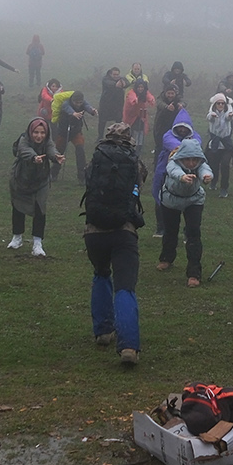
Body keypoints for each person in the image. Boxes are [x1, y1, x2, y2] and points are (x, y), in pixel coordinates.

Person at [82, 123, 144, 365]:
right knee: (125, 287)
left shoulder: (95, 161)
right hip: (123, 231)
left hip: (93, 231)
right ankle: (128, 346)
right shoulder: (135, 162)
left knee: (100, 274)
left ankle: (103, 331)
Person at [157, 135, 212, 287]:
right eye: (188, 159)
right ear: (181, 157)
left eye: (195, 159)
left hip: (194, 200)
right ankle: (166, 258)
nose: (191, 163)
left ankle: (194, 273)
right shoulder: (173, 162)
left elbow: (205, 169)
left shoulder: (200, 164)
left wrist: (207, 176)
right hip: (171, 200)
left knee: (193, 233)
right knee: (170, 230)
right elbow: (172, 170)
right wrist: (182, 177)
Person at [8, 115, 59, 256]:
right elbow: (24, 150)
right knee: (18, 207)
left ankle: (37, 243)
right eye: (36, 132)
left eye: (42, 132)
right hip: (20, 179)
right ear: (30, 132)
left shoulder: (48, 141)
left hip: (41, 180)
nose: (39, 136)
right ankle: (17, 237)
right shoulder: (24, 139)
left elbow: (51, 149)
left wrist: (56, 157)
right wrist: (34, 157)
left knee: (40, 208)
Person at [54, 86, 99, 182]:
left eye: (80, 102)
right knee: (59, 153)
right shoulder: (66, 103)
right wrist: (73, 113)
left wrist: (92, 111)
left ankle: (82, 177)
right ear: (72, 100)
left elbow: (87, 107)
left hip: (76, 132)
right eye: (76, 102)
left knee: (80, 151)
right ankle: (53, 173)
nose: (78, 104)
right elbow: (67, 108)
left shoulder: (83, 103)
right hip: (63, 132)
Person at [204, 92, 233, 198]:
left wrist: (230, 115)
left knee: (225, 165)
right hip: (215, 144)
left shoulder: (228, 111)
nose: (220, 105)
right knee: (213, 165)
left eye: (222, 103)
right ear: (215, 104)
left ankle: (224, 188)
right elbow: (209, 117)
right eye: (218, 103)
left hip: (226, 145)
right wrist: (212, 115)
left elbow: (229, 116)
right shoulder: (212, 112)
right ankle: (213, 182)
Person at [122, 77, 153, 149]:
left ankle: (139, 145)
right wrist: (135, 100)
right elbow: (132, 98)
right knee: (131, 130)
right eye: (139, 87)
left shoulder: (145, 93)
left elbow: (150, 97)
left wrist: (151, 100)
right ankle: (130, 144)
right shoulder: (131, 92)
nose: (140, 89)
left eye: (142, 87)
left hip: (141, 114)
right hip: (131, 115)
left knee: (141, 130)